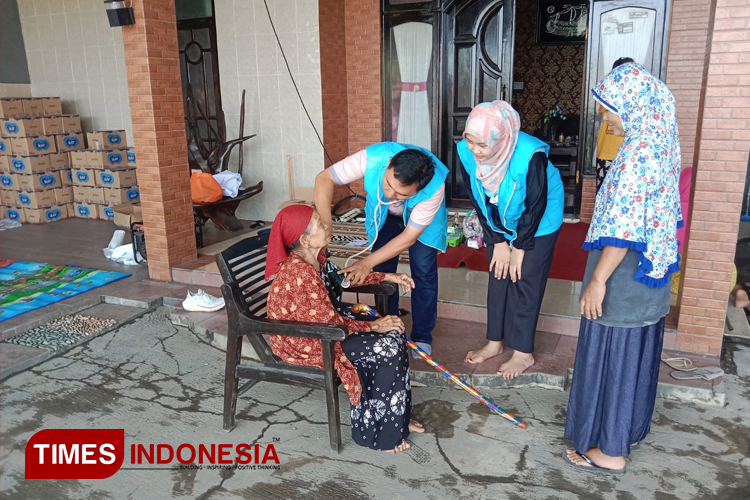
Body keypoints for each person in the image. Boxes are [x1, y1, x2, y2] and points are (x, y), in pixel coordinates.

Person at [563, 62, 682, 473]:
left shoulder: (637, 153)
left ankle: (611, 452)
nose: (607, 118)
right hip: (651, 275)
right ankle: (624, 431)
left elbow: (623, 227)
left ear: (631, 105)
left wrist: (597, 281)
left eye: (610, 109)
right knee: (635, 355)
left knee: (614, 353)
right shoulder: (663, 140)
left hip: (623, 276)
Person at [265, 204, 425, 453]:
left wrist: (387, 277)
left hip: (329, 320)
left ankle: (398, 418)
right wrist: (374, 326)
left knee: (393, 329)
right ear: (305, 240)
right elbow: (330, 325)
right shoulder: (299, 273)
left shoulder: (316, 258)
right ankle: (380, 434)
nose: (326, 226)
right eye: (319, 224)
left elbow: (343, 279)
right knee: (385, 345)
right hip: (308, 340)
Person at [457, 101, 565, 379]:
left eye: (482, 146)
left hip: (539, 217)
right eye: (471, 142)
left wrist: (519, 246)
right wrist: (498, 241)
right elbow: (478, 198)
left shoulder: (530, 155)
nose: (476, 152)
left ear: (501, 138)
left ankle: (523, 352)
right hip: (499, 213)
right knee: (499, 272)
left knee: (525, 276)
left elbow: (536, 203)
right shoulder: (466, 152)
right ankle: (494, 342)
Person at [315, 144, 448, 358]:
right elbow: (324, 179)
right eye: (388, 184)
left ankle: (422, 335)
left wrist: (365, 263)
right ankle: (389, 325)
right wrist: (326, 223)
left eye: (401, 193)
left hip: (422, 225)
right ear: (387, 166)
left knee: (423, 271)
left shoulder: (433, 188)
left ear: (417, 190)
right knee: (382, 269)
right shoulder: (373, 158)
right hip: (384, 217)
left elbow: (408, 238)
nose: (390, 194)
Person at [595, 57, 635, 191]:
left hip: (628, 153)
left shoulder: (638, 95)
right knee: (603, 193)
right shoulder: (608, 92)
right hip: (607, 152)